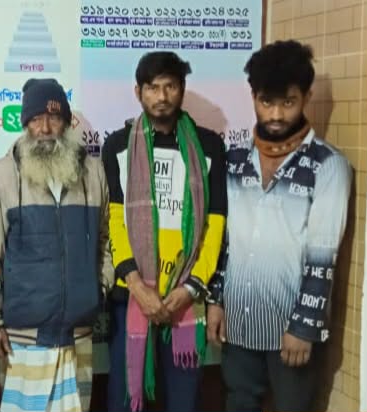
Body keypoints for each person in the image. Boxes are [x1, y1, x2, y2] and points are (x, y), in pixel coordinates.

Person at [206, 40, 352, 412]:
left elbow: (323, 255)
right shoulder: (236, 160)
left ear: (307, 97)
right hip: (238, 321)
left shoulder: (327, 165)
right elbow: (224, 242)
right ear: (253, 97)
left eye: (288, 102)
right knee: (238, 403)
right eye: (266, 102)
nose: (275, 114)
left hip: (291, 328)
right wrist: (216, 301)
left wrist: (304, 326)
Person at [101, 51, 227, 412]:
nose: (161, 96)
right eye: (153, 87)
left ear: (182, 89)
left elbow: (215, 224)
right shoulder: (118, 146)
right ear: (138, 92)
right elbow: (115, 223)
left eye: (170, 86)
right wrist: (137, 286)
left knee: (184, 402)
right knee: (124, 399)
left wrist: (191, 288)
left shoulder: (208, 146)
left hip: (186, 298)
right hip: (132, 296)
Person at [0, 78, 114, 412]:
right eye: (36, 119)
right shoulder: (0, 176)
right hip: (21, 339)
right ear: (24, 123)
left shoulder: (93, 172)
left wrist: (98, 286)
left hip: (79, 334)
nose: (45, 128)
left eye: (54, 117)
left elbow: (107, 238)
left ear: (67, 122)